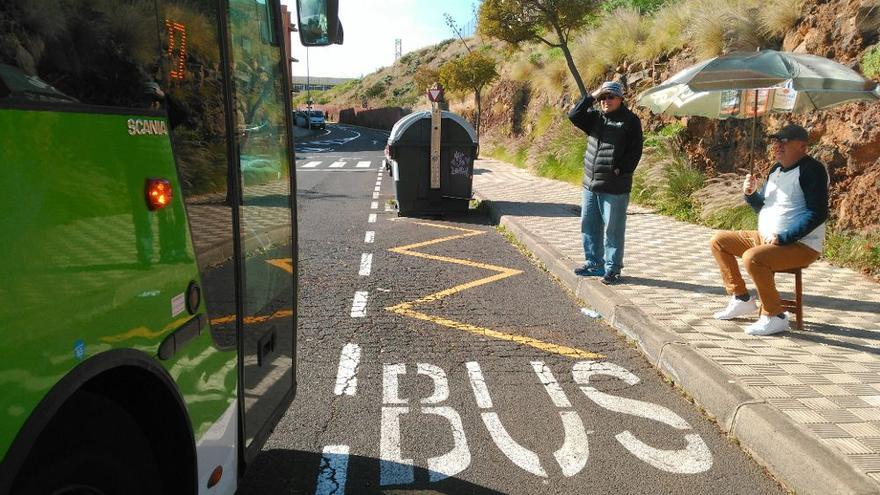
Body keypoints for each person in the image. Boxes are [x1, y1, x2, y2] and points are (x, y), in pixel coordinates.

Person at [710, 124, 829, 336]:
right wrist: (750, 194)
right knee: (719, 241)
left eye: (784, 141)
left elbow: (817, 213)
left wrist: (784, 237)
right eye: (776, 141)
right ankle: (742, 298)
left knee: (753, 258)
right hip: (767, 238)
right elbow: (762, 206)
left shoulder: (812, 170)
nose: (778, 145)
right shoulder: (775, 169)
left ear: (802, 146)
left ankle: (775, 316)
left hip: (800, 244)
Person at [568, 81, 644, 284]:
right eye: (603, 97)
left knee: (613, 229)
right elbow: (574, 115)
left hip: (614, 186)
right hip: (590, 184)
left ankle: (613, 269)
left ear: (621, 99)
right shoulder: (595, 118)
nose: (606, 101)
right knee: (589, 225)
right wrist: (592, 95)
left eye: (610, 97)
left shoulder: (630, 121)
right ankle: (594, 264)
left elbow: (635, 151)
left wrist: (622, 170)